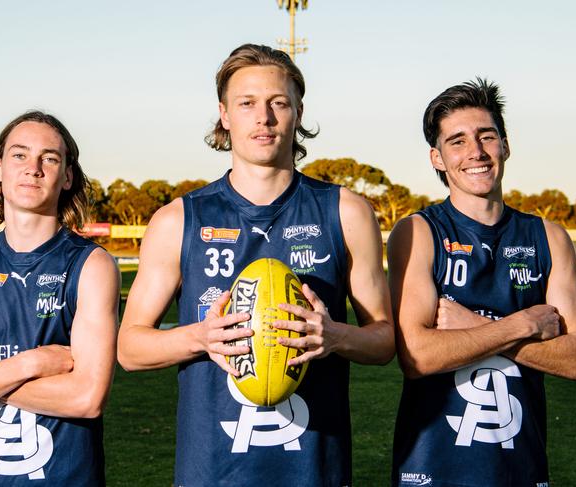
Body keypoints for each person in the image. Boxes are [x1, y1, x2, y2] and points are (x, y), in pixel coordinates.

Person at [118, 43, 394, 486]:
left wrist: (336, 336)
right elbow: (130, 349)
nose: (263, 118)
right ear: (224, 115)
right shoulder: (178, 219)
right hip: (212, 473)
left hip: (315, 471)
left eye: (278, 103)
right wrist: (199, 337)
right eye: (246, 103)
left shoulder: (346, 211)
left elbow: (383, 341)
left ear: (298, 113)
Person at [388, 78, 576, 486]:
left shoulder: (549, 237)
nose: (475, 152)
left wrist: (473, 326)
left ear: (505, 145)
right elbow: (417, 356)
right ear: (437, 158)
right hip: (431, 471)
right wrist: (522, 325)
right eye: (456, 141)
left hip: (521, 470)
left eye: (486, 136)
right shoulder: (418, 232)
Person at [0, 111, 119, 486]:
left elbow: (86, 397)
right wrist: (29, 364)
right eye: (19, 155)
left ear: (67, 176)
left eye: (49, 158)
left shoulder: (93, 265)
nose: (33, 168)